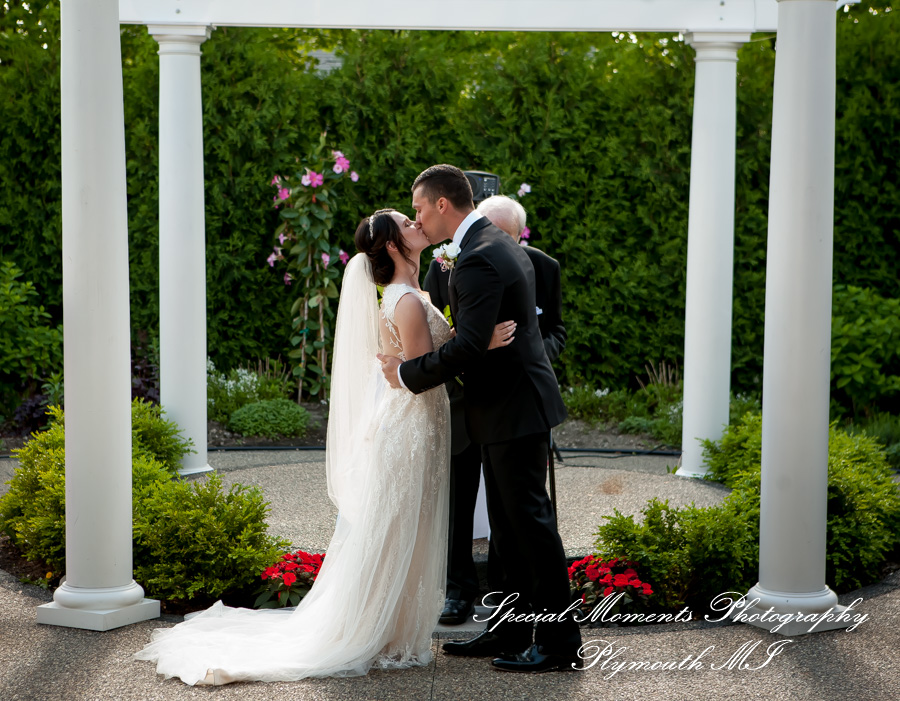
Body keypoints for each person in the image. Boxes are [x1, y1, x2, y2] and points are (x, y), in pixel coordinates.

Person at [135, 209, 454, 685]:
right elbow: (422, 372)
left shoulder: (410, 293)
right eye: (406, 223)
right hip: (409, 427)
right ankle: (377, 629)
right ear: (391, 245)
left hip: (412, 424)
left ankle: (391, 628)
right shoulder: (405, 301)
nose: (416, 224)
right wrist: (479, 344)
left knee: (404, 525)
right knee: (396, 527)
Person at [379, 165, 582, 673]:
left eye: (420, 208)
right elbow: (476, 337)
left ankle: (559, 645)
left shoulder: (478, 260)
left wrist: (406, 375)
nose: (419, 218)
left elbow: (469, 346)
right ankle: (508, 631)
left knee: (532, 528)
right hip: (506, 408)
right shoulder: (493, 243)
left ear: (442, 204)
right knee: (511, 534)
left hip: (512, 409)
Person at [425, 194, 566, 625]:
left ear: (516, 235)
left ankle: (538, 626)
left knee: (522, 521)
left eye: (506, 233)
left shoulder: (528, 263)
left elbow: (550, 328)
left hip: (512, 402)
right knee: (467, 503)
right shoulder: (445, 263)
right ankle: (475, 601)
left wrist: (528, 350)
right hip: (465, 399)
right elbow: (438, 330)